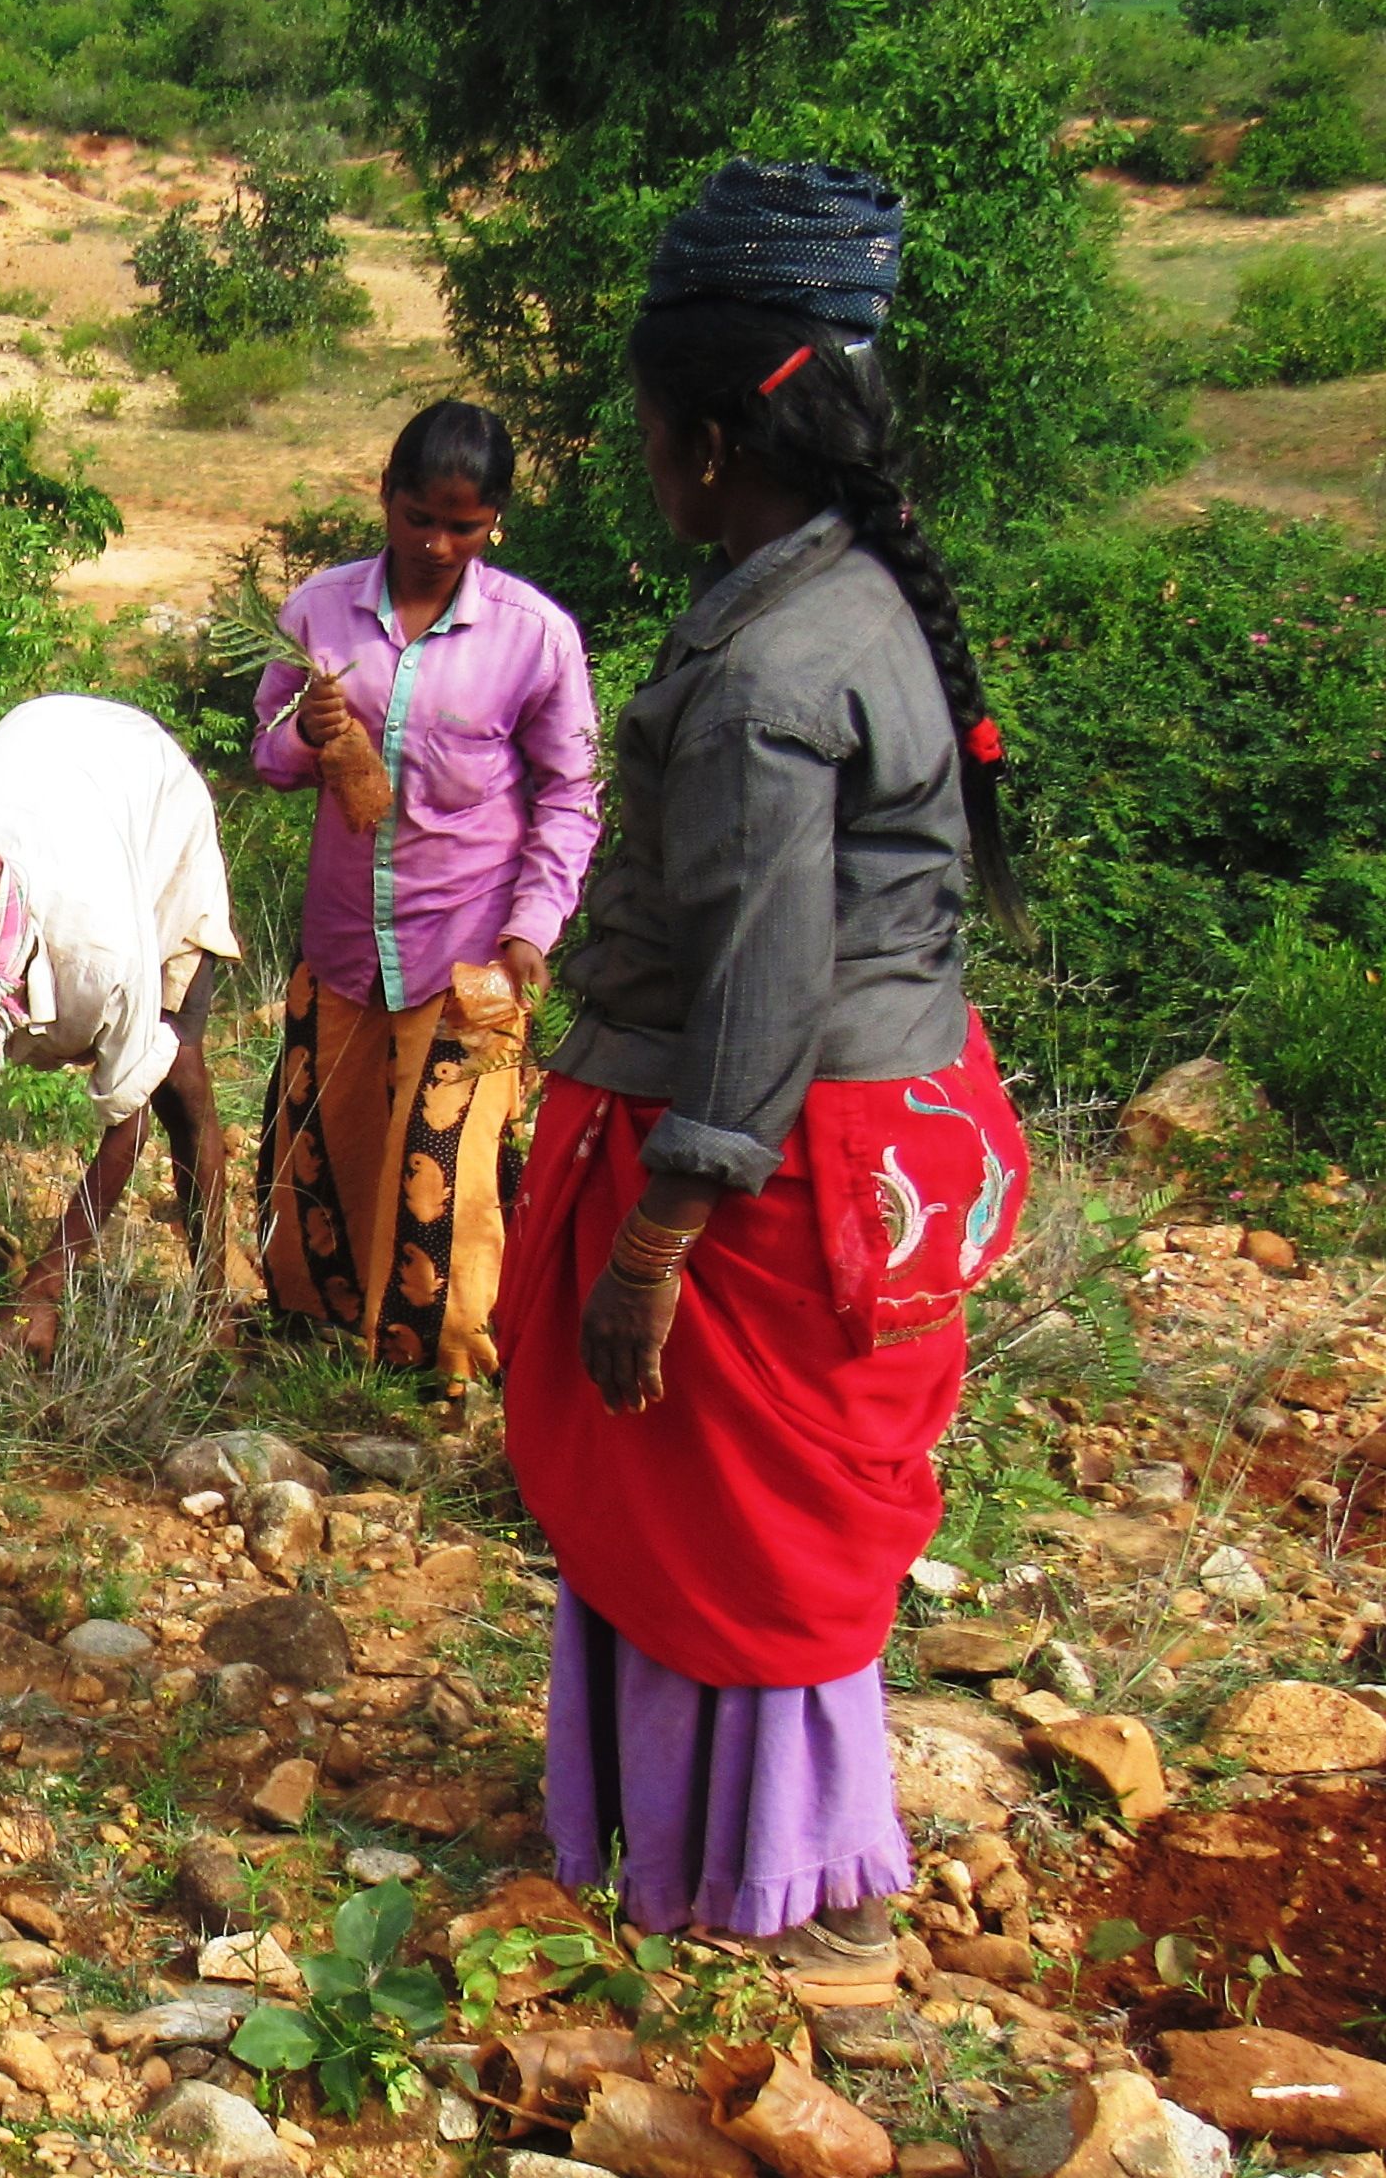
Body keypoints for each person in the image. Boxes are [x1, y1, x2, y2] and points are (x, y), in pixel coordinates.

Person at [497, 160, 1035, 2009]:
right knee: (758, 1514)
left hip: (762, 1156)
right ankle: (758, 1834)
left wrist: (653, 1236)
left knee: (708, 1505)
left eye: (652, 433)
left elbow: (757, 976)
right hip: (891, 1135)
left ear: (717, 436)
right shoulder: (855, 600)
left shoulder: (767, 670)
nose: (645, 466)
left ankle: (743, 1859)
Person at [247, 400, 599, 1380]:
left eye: (464, 524)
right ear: (386, 500)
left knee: (447, 1179)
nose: (437, 543)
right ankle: (322, 1362)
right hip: (347, 952)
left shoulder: (536, 639)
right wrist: (309, 736)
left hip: (476, 960)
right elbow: (267, 757)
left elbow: (571, 799)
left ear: (496, 524)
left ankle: (443, 1378)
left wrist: (534, 926)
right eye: (419, 518)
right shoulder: (319, 612)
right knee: (330, 1163)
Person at [0, 693, 239, 1362]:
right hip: (36, 752)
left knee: (179, 1085)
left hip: (147, 797)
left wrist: (44, 1285)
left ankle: (213, 1303)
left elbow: (129, 1117)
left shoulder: (103, 954)